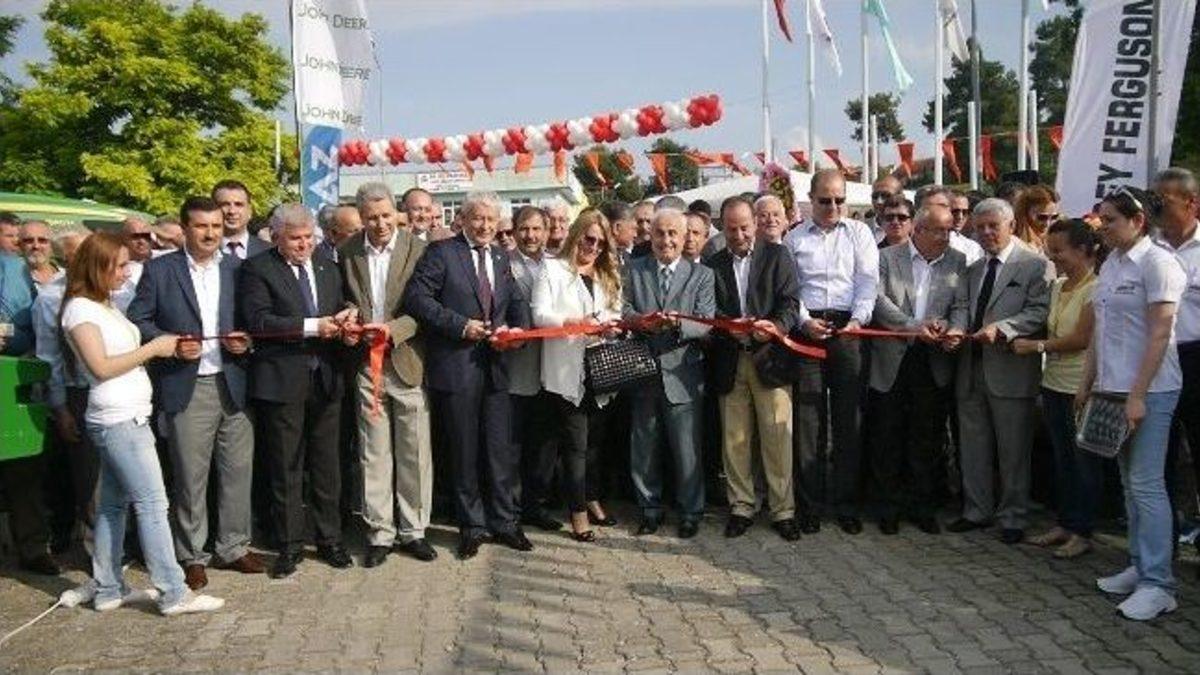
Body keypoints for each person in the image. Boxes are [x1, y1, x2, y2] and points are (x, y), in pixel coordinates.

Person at [61, 231, 224, 615]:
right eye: (119, 266)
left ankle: (108, 588)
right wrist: (154, 348)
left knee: (113, 506)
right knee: (152, 504)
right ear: (97, 267)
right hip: (117, 420)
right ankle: (173, 592)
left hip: (130, 415)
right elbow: (100, 368)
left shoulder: (105, 304)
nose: (125, 272)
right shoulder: (80, 310)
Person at [126, 196, 263, 590]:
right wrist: (170, 343)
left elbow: (254, 319)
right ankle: (191, 555)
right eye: (202, 226)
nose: (210, 233)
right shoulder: (160, 270)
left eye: (216, 226)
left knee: (237, 471)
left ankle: (233, 546)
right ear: (185, 229)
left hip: (233, 381)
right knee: (190, 477)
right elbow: (139, 319)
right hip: (187, 385)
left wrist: (246, 341)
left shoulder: (238, 268)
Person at [403, 191, 531, 560]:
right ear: (462, 219)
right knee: (464, 452)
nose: (485, 226)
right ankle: (472, 527)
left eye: (491, 219)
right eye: (478, 218)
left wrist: (517, 332)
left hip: (496, 368)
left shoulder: (501, 257)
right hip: (456, 367)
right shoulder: (442, 253)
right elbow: (418, 299)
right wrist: (460, 326)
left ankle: (505, 522)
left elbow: (516, 302)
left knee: (499, 450)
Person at [239, 204, 358, 578]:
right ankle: (289, 544)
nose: (305, 245)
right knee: (286, 466)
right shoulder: (258, 269)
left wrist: (347, 317)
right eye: (296, 239)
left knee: (327, 465)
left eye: (309, 237)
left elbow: (338, 306)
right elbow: (258, 320)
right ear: (276, 238)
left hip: (326, 378)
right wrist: (311, 326)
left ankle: (330, 539)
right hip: (282, 381)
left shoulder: (326, 265)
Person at [1085, 186, 1186, 621]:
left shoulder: (1159, 263)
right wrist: (1088, 383)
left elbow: (1161, 334)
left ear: (1138, 221)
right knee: (1129, 484)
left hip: (1151, 390)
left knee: (1147, 484)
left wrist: (1139, 395)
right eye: (1102, 218)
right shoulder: (1111, 263)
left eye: (1110, 219)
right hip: (1111, 388)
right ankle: (1140, 565)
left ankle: (1159, 584)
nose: (1102, 226)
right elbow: (1100, 328)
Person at [338, 183, 436, 567]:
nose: (379, 224)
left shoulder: (420, 249)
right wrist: (348, 314)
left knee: (413, 451)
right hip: (367, 364)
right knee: (373, 451)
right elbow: (345, 296)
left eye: (385, 216)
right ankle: (380, 533)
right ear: (361, 218)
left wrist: (392, 331)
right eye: (371, 218)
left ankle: (414, 530)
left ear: (397, 213)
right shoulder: (348, 251)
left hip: (408, 360)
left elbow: (428, 305)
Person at [946, 198, 1051, 544]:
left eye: (994, 226)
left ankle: (1013, 517)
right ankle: (976, 511)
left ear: (1011, 225)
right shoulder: (974, 268)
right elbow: (962, 307)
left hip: (1011, 371)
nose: (987, 233)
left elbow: (1040, 311)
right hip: (970, 368)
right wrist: (956, 329)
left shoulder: (1035, 266)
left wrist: (1003, 329)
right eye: (980, 227)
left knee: (1013, 451)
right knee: (972, 447)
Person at [784, 168, 879, 534]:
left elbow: (867, 282)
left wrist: (857, 320)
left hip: (849, 328)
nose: (834, 207)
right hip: (807, 331)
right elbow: (790, 289)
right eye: (825, 200)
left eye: (840, 200)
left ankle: (846, 505)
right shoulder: (794, 238)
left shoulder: (860, 233)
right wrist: (804, 321)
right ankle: (809, 506)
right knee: (809, 422)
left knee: (848, 420)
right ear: (811, 199)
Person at [705, 196, 802, 540]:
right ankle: (741, 507)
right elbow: (708, 309)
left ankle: (782, 510)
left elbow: (791, 303)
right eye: (731, 229)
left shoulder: (778, 256)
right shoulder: (713, 263)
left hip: (770, 359)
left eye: (744, 228)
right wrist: (725, 326)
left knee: (777, 438)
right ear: (722, 227)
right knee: (736, 440)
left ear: (756, 224)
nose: (739, 235)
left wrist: (775, 326)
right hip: (731, 361)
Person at [868, 206, 968, 535]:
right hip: (893, 357)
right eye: (939, 230)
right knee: (888, 434)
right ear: (919, 230)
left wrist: (952, 328)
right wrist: (912, 325)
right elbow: (878, 301)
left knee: (927, 436)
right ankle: (888, 508)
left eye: (949, 230)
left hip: (933, 358)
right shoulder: (887, 257)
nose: (946, 236)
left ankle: (923, 506)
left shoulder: (956, 260)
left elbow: (961, 305)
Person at [1011, 219, 1102, 559]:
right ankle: (1064, 523)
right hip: (1052, 384)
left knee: (1083, 463)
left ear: (1083, 250)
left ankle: (1083, 530)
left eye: (1059, 251)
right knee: (1062, 460)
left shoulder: (1096, 288)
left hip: (1080, 386)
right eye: (1050, 251)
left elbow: (1082, 338)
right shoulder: (1058, 285)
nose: (1053, 258)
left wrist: (1036, 347)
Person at [532, 208, 624, 541]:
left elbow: (616, 312)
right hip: (566, 369)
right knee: (576, 443)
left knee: (596, 442)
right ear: (576, 235)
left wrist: (610, 327)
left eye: (600, 243)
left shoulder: (607, 272)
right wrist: (569, 323)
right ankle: (578, 511)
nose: (593, 247)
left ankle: (592, 496)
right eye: (589, 239)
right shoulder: (553, 268)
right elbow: (539, 314)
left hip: (601, 368)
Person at [621, 209, 715, 538]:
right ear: (651, 236)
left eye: (673, 233)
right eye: (660, 233)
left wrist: (678, 323)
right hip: (643, 370)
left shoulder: (701, 275)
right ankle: (649, 509)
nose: (667, 240)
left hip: (682, 373)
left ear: (685, 236)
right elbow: (623, 308)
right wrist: (640, 321)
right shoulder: (633, 270)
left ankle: (690, 512)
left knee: (687, 448)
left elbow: (707, 320)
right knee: (644, 446)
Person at [505, 205, 563, 532]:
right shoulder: (502, 265)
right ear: (514, 232)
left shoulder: (559, 265)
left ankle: (536, 505)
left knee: (545, 444)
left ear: (547, 231)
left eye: (537, 229)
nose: (530, 235)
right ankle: (511, 509)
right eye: (524, 229)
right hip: (517, 368)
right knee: (514, 444)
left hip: (553, 366)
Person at [1152, 168, 1200, 557]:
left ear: (1190, 202)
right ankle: (1160, 547)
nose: (1156, 207)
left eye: (1163, 200)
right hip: (1156, 359)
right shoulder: (1148, 248)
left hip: (1196, 357)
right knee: (1159, 459)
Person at [917, 185, 983, 266]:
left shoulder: (972, 249)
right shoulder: (905, 245)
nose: (960, 217)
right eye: (955, 211)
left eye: (965, 212)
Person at [212, 179, 270, 261]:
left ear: (249, 210)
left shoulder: (270, 252)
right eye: (225, 204)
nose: (232, 211)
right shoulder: (198, 251)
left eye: (238, 204)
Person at [1013, 185, 1060, 252]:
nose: (1047, 224)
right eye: (1042, 217)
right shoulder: (1013, 244)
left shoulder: (1060, 243)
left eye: (1054, 217)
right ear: (1025, 214)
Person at [19, 220, 63, 291]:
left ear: (51, 245)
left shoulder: (67, 277)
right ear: (20, 245)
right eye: (29, 241)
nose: (36, 246)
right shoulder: (9, 279)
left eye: (42, 240)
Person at [599, 201, 639, 265]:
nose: (635, 235)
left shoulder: (626, 257)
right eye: (633, 229)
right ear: (617, 228)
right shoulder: (597, 256)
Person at [869, 175, 904, 244]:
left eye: (886, 196)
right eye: (875, 196)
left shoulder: (915, 230)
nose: (879, 202)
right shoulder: (861, 229)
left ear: (901, 197)